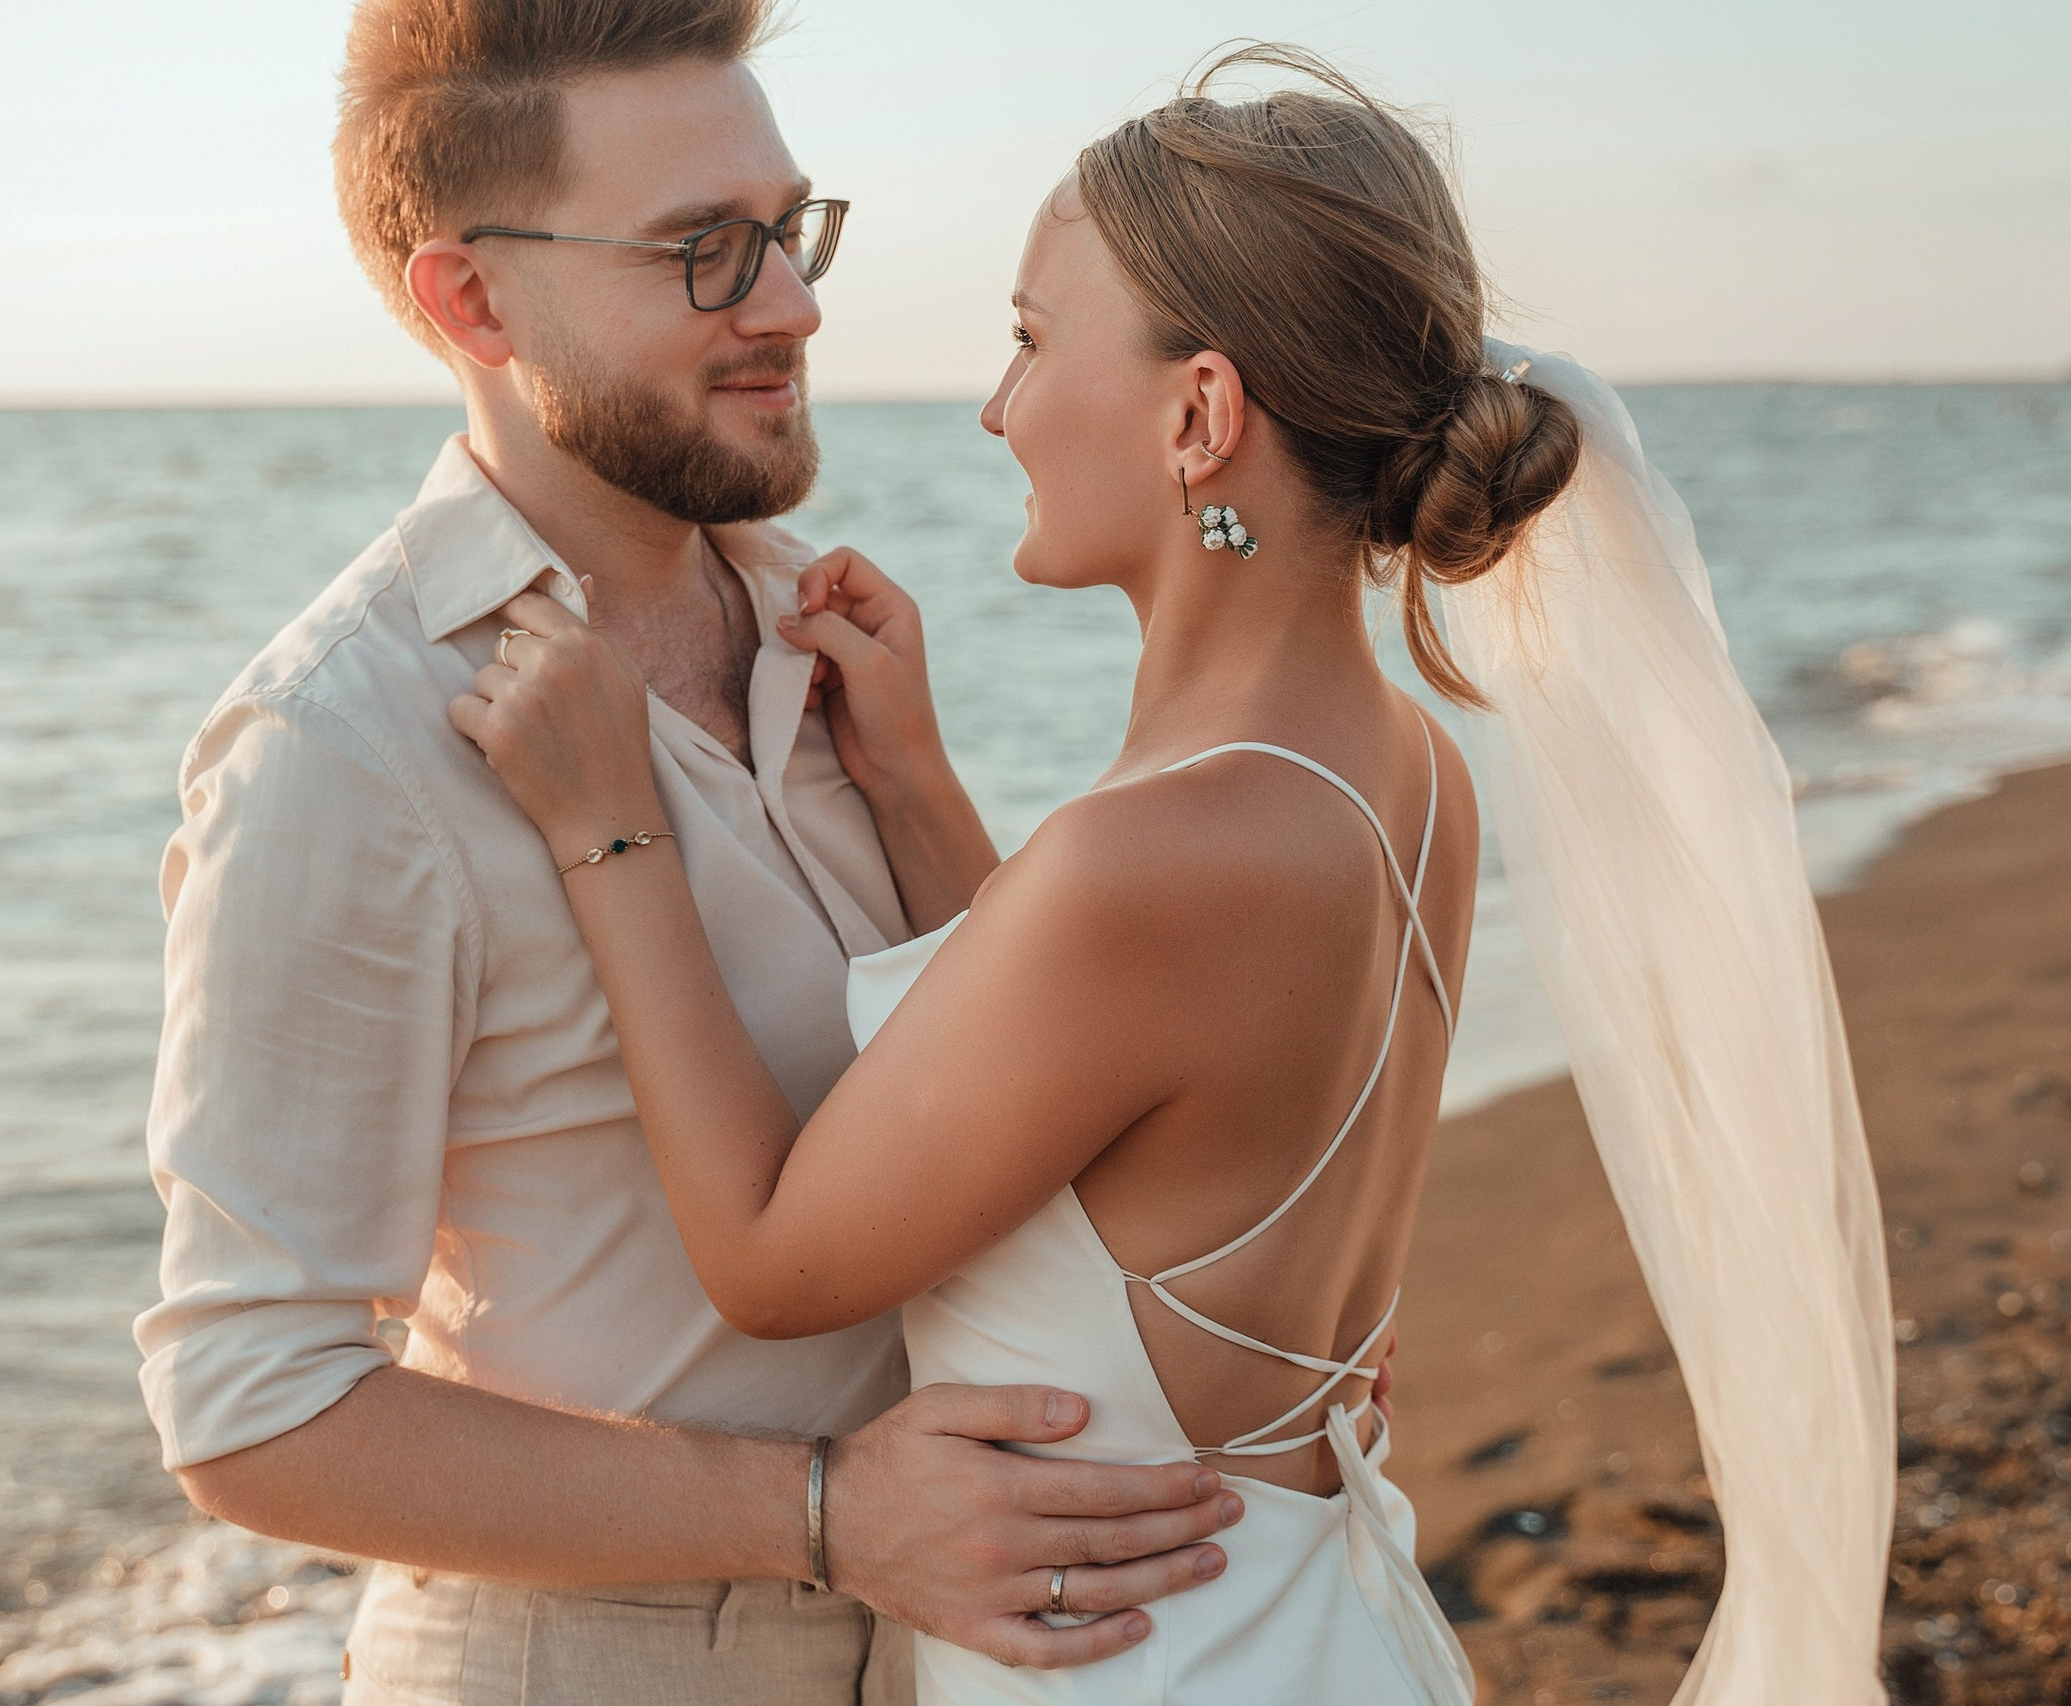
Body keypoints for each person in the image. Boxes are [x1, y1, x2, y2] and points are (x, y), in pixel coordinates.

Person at [452, 43, 1897, 1706]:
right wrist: (913, 780)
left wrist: (611, 826)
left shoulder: (1146, 862)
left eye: (1029, 341)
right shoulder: (1401, 772)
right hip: (1305, 1621)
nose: (996, 407)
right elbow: (1100, 1111)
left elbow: (773, 1261)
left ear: (1200, 414)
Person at [132, 4, 1252, 1703]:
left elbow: (1018, 1111)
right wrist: (820, 1510)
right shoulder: (343, 745)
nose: (793, 304)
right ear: (474, 301)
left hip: (959, 1649)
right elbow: (250, 1409)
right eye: (703, 251)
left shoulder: (832, 637)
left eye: (789, 231)